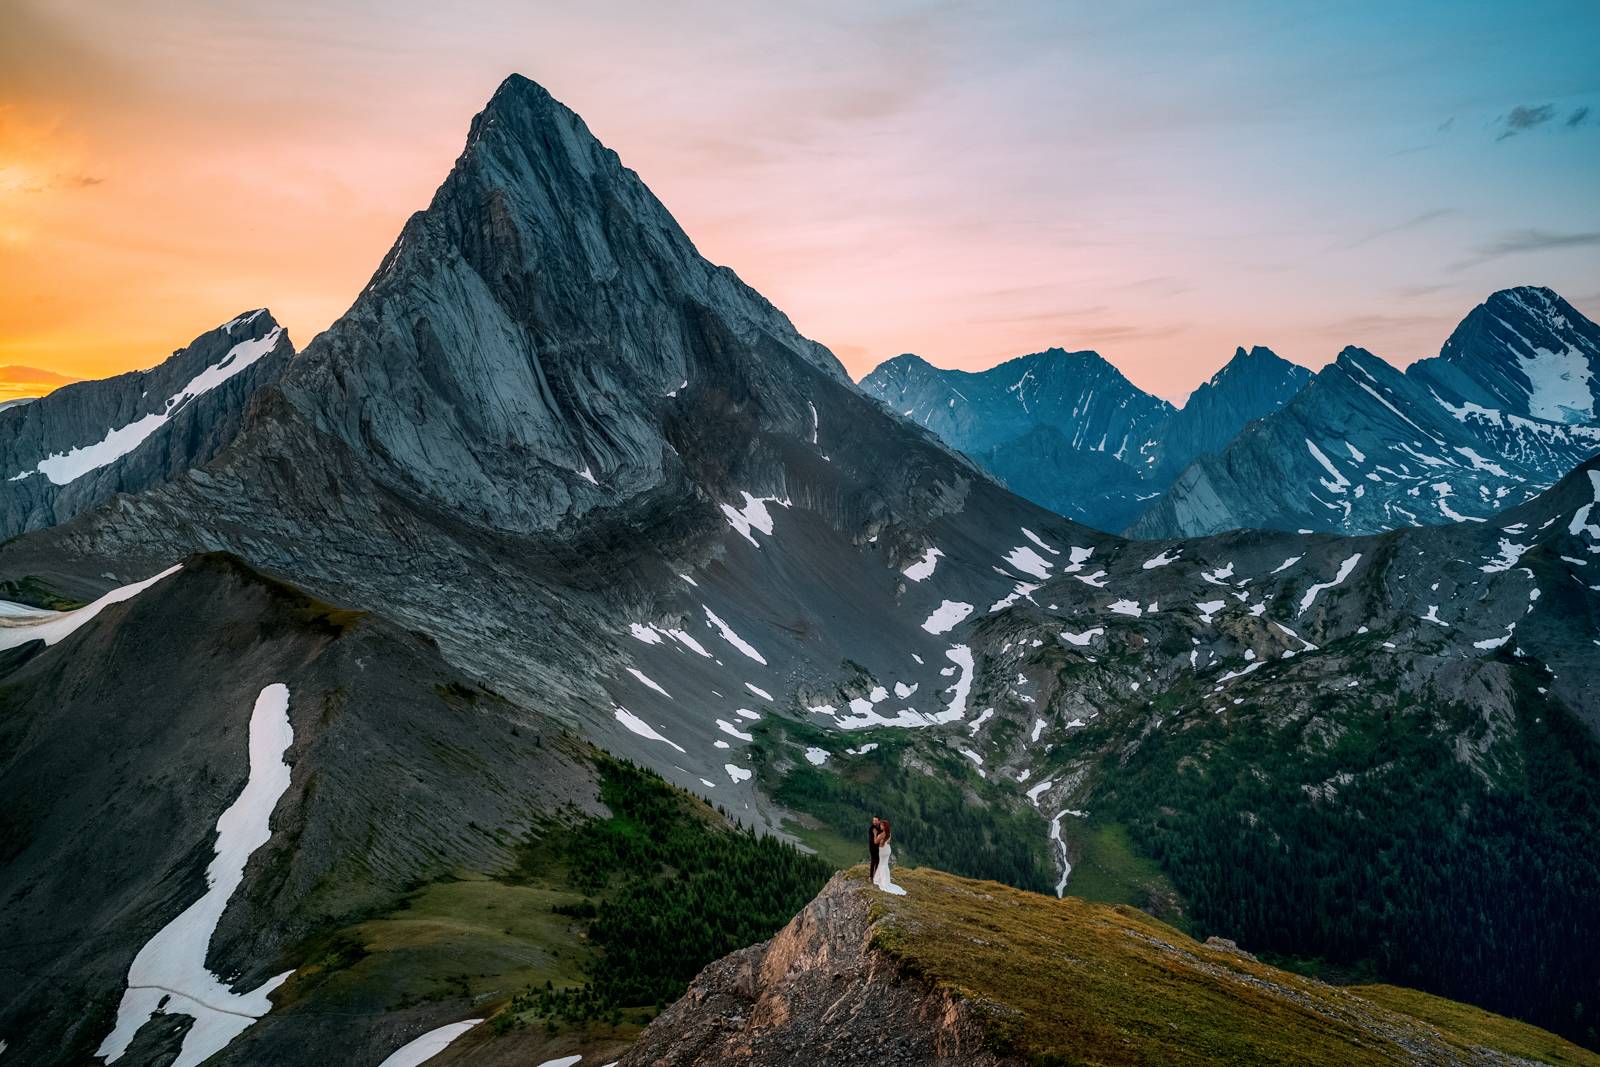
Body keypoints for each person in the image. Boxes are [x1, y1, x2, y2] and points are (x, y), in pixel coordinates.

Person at [871, 817, 906, 895]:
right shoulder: (889, 833)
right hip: (887, 850)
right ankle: (883, 880)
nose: (880, 826)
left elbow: (875, 842)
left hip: (882, 851)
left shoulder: (882, 834)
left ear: (884, 826)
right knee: (884, 865)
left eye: (881, 825)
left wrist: (875, 834)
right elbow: (888, 841)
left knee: (881, 865)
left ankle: (881, 880)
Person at [868, 816, 882, 881]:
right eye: (873, 820)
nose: (874, 822)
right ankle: (871, 876)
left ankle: (876, 875)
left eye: (876, 820)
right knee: (873, 861)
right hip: (873, 847)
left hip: (879, 847)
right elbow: (873, 839)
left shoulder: (880, 827)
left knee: (878, 861)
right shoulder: (871, 828)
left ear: (879, 821)